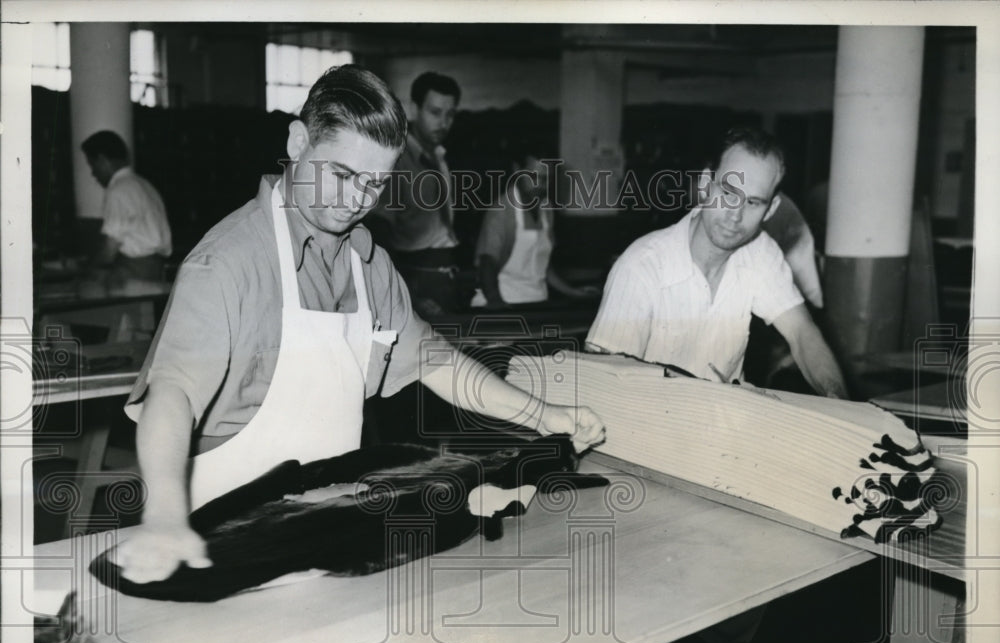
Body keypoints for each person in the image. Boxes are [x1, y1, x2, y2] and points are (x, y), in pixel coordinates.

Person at [117, 65, 605, 584]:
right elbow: (171, 393)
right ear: (298, 141)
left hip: (327, 531)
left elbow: (436, 361)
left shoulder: (368, 265)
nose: (356, 200)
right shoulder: (229, 262)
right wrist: (166, 519)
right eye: (344, 175)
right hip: (223, 545)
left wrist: (544, 415)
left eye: (374, 184)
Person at [586, 126, 847, 399]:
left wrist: (838, 402)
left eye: (753, 203)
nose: (735, 215)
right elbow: (604, 384)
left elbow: (802, 334)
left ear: (770, 209)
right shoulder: (642, 266)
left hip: (722, 425)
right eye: (728, 193)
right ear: (705, 184)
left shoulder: (760, 252)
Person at [368, 71, 462, 316]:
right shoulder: (397, 161)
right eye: (435, 112)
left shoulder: (439, 157)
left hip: (446, 274)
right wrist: (410, 295)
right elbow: (380, 238)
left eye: (450, 114)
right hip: (415, 278)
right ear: (414, 108)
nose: (443, 123)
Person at [474, 142, 600, 306]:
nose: (539, 185)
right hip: (506, 300)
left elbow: (542, 267)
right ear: (517, 170)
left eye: (545, 179)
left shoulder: (546, 209)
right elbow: (487, 264)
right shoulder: (502, 210)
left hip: (537, 303)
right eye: (532, 176)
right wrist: (498, 307)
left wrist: (574, 292)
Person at [80, 130, 172, 295]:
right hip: (156, 270)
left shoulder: (118, 190)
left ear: (102, 160)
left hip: (135, 274)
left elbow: (109, 249)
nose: (93, 174)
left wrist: (87, 269)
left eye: (92, 165)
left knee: (86, 291)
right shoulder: (143, 184)